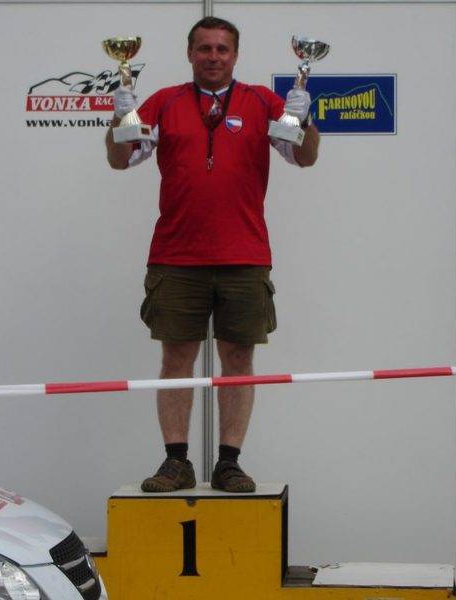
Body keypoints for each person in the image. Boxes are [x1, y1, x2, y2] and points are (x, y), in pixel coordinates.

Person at [106, 16, 319, 493]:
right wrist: (119, 120)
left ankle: (229, 463)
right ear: (190, 53)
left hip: (245, 255)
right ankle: (176, 462)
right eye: (204, 48)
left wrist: (304, 121)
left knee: (238, 360)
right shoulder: (164, 102)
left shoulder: (263, 102)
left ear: (235, 55)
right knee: (176, 360)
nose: (213, 57)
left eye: (222, 49)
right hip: (176, 255)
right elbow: (120, 160)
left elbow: (304, 157)